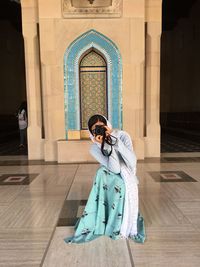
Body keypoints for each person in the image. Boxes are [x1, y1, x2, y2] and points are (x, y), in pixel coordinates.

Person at [64, 114, 145, 244]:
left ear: (107, 125)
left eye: (101, 127)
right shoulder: (94, 148)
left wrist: (115, 141)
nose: (99, 130)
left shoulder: (123, 136)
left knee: (121, 184)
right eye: (95, 129)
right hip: (112, 172)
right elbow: (115, 169)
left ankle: (119, 220)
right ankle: (106, 217)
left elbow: (132, 161)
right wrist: (107, 145)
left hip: (128, 172)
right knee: (102, 173)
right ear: (92, 133)